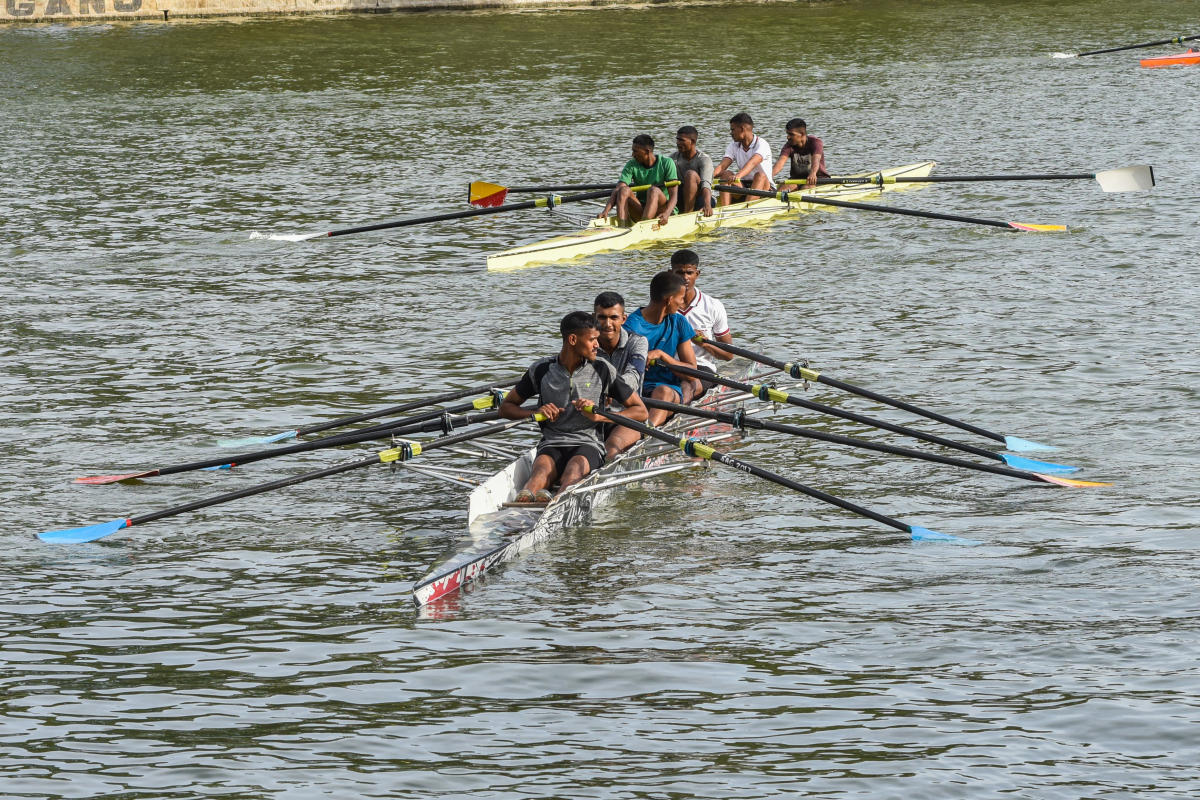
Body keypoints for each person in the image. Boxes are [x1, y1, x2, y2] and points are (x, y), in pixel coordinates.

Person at [500, 311, 648, 502]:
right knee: (539, 474)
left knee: (574, 471)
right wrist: (535, 412)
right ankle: (519, 511)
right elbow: (506, 408)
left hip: (588, 444)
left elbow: (641, 411)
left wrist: (599, 416)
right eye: (593, 340)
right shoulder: (541, 370)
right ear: (572, 339)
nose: (597, 345)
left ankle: (557, 503)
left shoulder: (602, 369)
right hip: (552, 442)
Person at [607, 271, 699, 454]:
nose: (682, 303)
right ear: (668, 300)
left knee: (663, 391)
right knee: (612, 447)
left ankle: (649, 434)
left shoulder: (678, 322)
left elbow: (692, 373)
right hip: (636, 394)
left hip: (666, 394)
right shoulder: (632, 327)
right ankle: (645, 433)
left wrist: (663, 356)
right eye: (680, 298)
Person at [669, 249, 732, 402]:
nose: (685, 278)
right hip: (668, 366)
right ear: (670, 273)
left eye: (689, 273)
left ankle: (680, 412)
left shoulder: (712, 306)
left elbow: (728, 354)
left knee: (688, 383)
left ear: (697, 274)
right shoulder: (663, 305)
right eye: (679, 273)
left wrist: (704, 344)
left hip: (701, 368)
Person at [594, 291, 649, 459]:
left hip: (627, 415)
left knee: (611, 447)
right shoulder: (587, 345)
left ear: (624, 319)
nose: (607, 324)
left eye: (613, 318)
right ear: (593, 318)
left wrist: (610, 389)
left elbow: (633, 376)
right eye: (602, 317)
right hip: (594, 416)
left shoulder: (638, 342)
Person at [598, 134, 679, 226]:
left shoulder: (667, 163)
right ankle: (622, 226)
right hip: (642, 209)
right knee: (623, 190)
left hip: (663, 210)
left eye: (635, 151)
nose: (633, 155)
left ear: (647, 151)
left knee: (653, 190)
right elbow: (618, 189)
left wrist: (667, 214)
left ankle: (643, 227)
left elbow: (674, 195)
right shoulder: (632, 164)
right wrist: (606, 211)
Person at [711, 112, 774, 206]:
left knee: (760, 175)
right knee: (725, 174)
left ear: (742, 129)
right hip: (744, 185)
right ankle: (724, 210)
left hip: (765, 187)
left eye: (733, 130)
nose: (731, 133)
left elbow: (752, 163)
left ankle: (747, 209)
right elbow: (722, 166)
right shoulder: (733, 145)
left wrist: (738, 175)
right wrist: (707, 177)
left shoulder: (762, 144)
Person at [770, 117, 829, 190]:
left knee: (806, 188)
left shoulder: (815, 142)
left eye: (791, 134)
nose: (788, 137)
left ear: (802, 134)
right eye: (787, 133)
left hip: (817, 179)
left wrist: (813, 173)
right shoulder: (789, 145)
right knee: (782, 189)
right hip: (797, 179)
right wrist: (769, 177)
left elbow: (816, 159)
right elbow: (780, 163)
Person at [668, 125, 714, 216]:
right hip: (681, 196)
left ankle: (687, 214)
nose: (678, 143)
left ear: (692, 141)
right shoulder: (672, 159)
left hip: (702, 198)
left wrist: (707, 205)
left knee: (690, 175)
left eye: (682, 140)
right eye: (677, 139)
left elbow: (706, 185)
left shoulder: (704, 159)